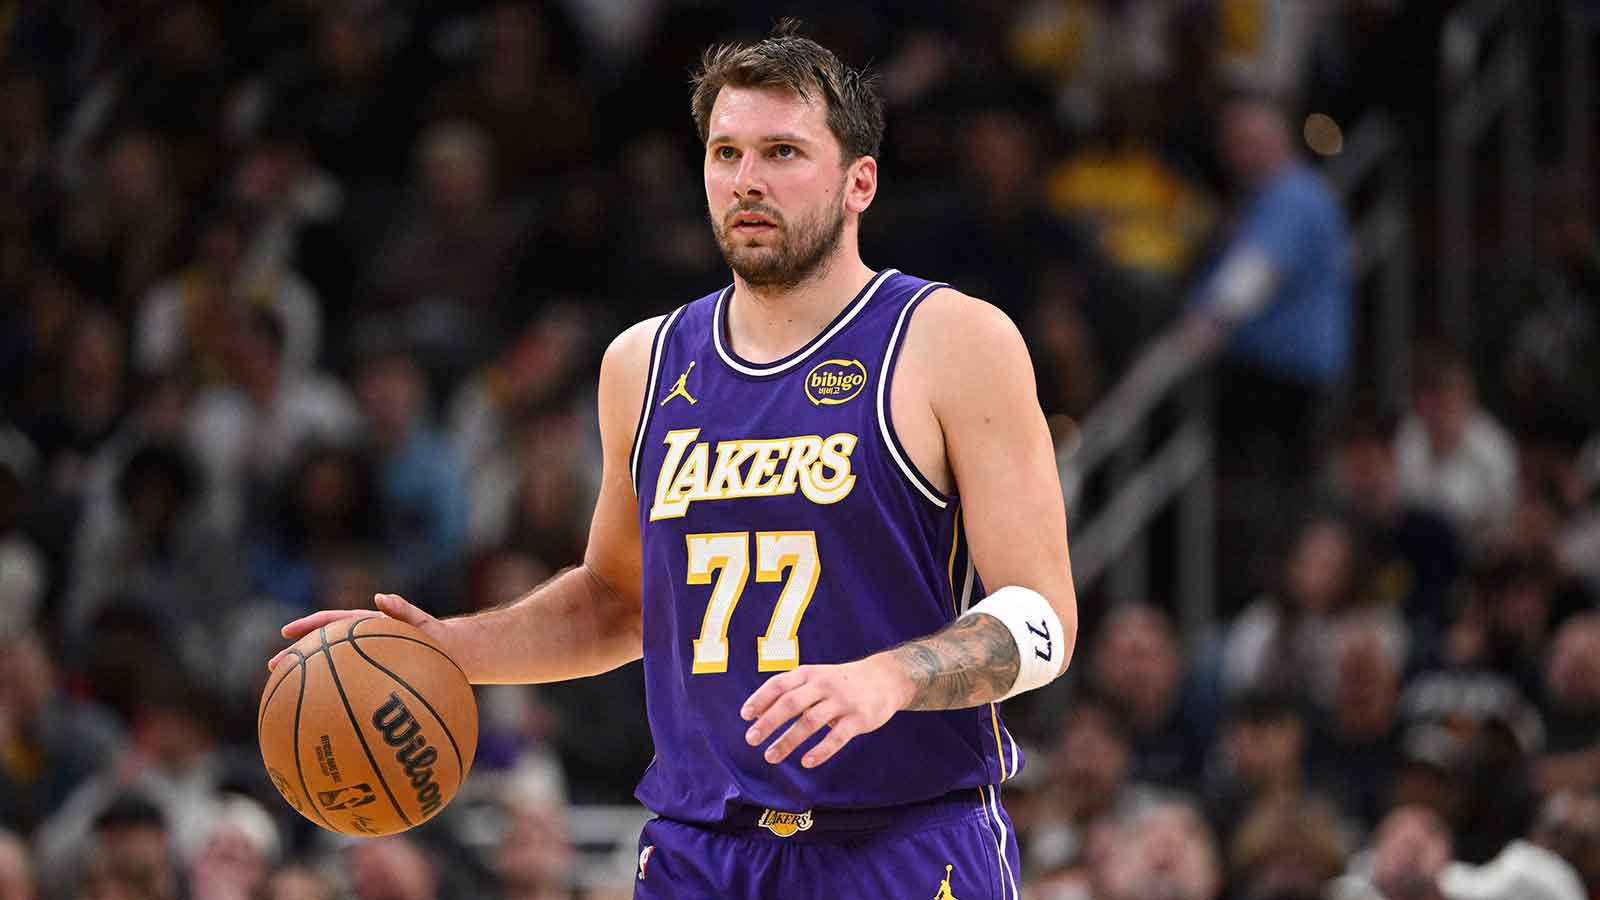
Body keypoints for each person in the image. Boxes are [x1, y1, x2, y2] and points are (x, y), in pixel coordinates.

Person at [274, 21, 1077, 899]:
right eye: (726, 153)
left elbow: (1042, 622)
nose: (748, 181)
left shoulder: (951, 340)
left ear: (860, 182)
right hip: (703, 847)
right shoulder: (644, 364)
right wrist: (447, 649)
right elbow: (621, 602)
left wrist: (889, 677)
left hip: (901, 837)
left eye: (782, 152)